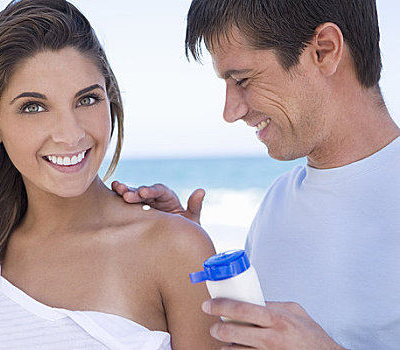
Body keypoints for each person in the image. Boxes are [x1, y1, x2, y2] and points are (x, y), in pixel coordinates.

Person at [0, 1, 224, 349]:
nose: (70, 134)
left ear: (110, 99)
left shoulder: (175, 248)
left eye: (87, 99)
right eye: (34, 107)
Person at [112, 0, 400, 349]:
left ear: (324, 51)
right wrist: (184, 246)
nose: (230, 111)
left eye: (243, 79)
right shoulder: (277, 201)